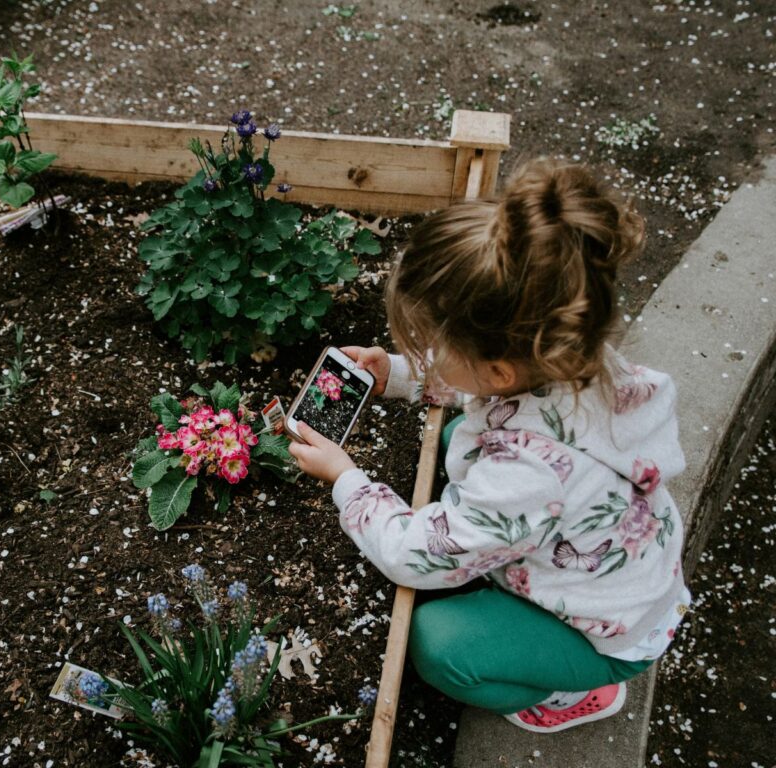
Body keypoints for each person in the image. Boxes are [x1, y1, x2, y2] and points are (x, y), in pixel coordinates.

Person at [288, 158, 690, 733]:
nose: (424, 348)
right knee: (458, 436)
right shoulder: (575, 355)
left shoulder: (525, 475)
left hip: (604, 632)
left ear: (499, 369)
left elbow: (413, 555)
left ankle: (569, 694)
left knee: (437, 644)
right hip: (616, 567)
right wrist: (399, 374)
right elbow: (488, 389)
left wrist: (347, 479)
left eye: (431, 342)